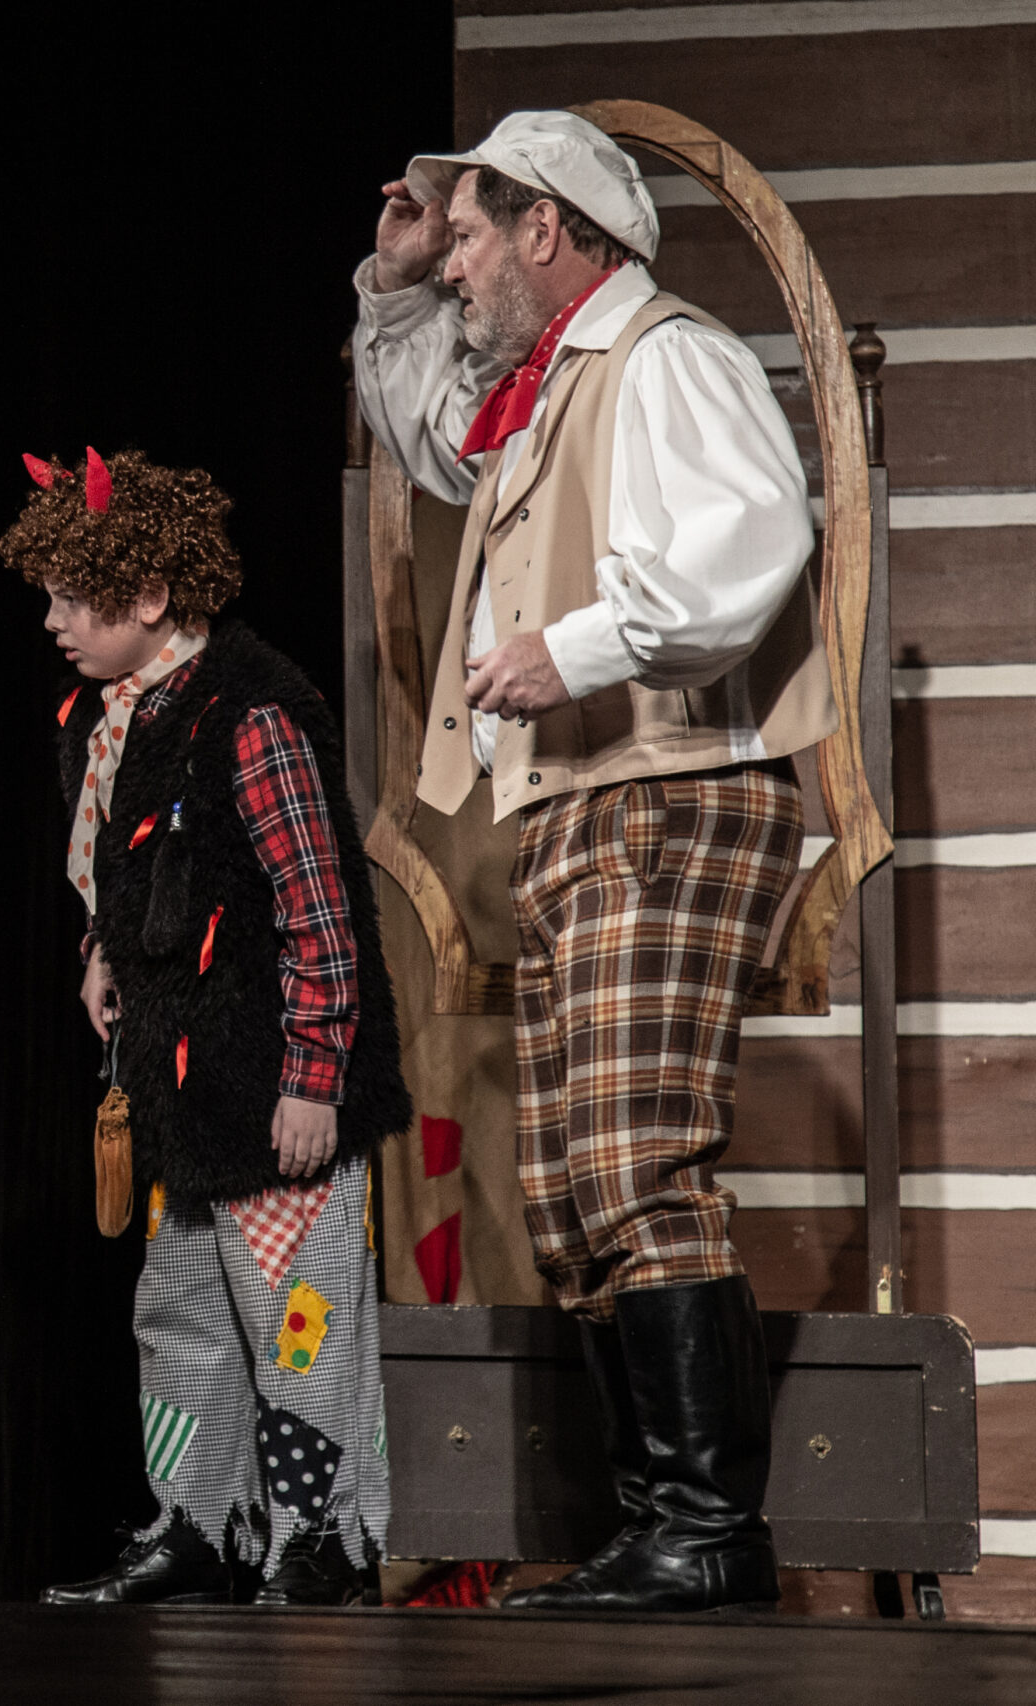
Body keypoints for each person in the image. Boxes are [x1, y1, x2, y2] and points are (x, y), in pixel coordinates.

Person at [352, 109, 832, 1615]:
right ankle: (658, 1521)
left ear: (548, 228)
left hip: (672, 791)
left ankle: (708, 1527)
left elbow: (748, 542)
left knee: (633, 1164)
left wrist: (573, 647)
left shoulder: (664, 355)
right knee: (571, 1196)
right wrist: (396, 287)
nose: (459, 265)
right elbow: (426, 430)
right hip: (586, 805)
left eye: (472, 237)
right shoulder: (544, 389)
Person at [15, 449, 413, 1608]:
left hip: (270, 1080)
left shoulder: (249, 712)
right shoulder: (112, 718)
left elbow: (317, 907)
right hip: (178, 1088)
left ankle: (320, 1538)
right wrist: (103, 951)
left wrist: (314, 1075)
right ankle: (198, 1523)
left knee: (299, 1318)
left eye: (74, 599)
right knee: (179, 1313)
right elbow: (140, 871)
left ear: (148, 596)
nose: (52, 622)